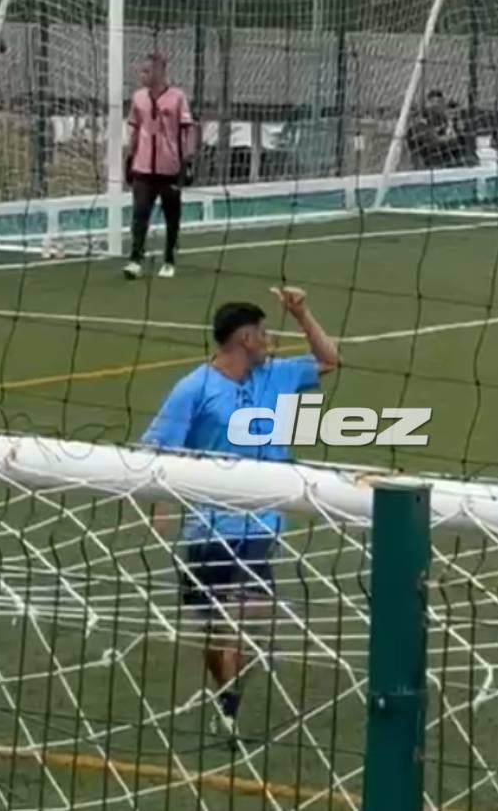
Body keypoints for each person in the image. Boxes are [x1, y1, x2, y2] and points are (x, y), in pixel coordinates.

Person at [140, 286, 340, 739]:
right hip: (209, 526)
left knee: (249, 614)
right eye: (264, 333)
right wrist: (160, 507)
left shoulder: (276, 375)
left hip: (261, 522)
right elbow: (157, 450)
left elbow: (329, 359)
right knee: (214, 628)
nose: (270, 340)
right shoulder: (193, 389)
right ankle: (227, 693)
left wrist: (302, 313)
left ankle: (230, 699)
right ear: (245, 338)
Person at [123, 53, 199, 281]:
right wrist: (129, 157)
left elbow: (188, 130)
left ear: (159, 72)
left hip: (170, 169)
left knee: (171, 217)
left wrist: (188, 161)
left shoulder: (177, 98)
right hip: (143, 168)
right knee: (139, 215)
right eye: (141, 71)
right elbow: (134, 130)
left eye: (146, 71)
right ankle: (135, 259)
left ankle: (169, 259)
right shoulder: (138, 98)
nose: (141, 75)